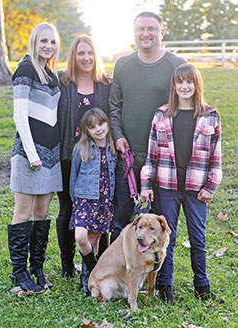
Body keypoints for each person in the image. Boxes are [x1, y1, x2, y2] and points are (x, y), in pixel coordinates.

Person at [140, 63, 223, 304]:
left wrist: (211, 186)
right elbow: (151, 154)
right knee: (168, 238)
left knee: (198, 238)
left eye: (190, 82)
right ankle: (165, 287)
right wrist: (146, 184)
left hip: (197, 189)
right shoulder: (162, 115)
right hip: (167, 186)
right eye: (180, 82)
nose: (185, 86)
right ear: (174, 86)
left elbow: (216, 157)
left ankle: (202, 285)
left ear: (197, 85)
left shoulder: (211, 115)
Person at [109, 11, 187, 242]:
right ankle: (117, 272)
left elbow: (187, 109)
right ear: (134, 33)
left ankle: (161, 276)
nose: (145, 33)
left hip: (165, 159)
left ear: (161, 32)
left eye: (151, 29)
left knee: (161, 223)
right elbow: (114, 105)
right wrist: (117, 135)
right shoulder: (123, 65)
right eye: (140, 29)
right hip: (129, 156)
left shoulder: (177, 65)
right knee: (121, 218)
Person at [8, 22, 62, 293]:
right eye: (43, 41)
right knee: (23, 213)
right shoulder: (25, 69)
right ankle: (19, 274)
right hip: (30, 155)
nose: (48, 46)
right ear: (34, 42)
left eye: (52, 42)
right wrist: (32, 154)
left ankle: (37, 269)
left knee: (42, 213)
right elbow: (19, 115)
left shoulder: (51, 73)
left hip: (51, 156)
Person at [57, 35, 112, 290]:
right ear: (73, 57)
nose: (86, 58)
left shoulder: (105, 84)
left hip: (100, 156)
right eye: (80, 53)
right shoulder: (64, 83)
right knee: (69, 210)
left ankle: (100, 263)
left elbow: (113, 115)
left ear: (95, 55)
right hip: (71, 155)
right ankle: (69, 264)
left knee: (102, 210)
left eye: (90, 53)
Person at [69, 108, 117, 292]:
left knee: (95, 240)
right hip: (84, 200)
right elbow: (74, 177)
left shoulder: (113, 149)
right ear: (86, 130)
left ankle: (88, 278)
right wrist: (76, 200)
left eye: (101, 124)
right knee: (81, 237)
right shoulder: (82, 149)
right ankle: (93, 271)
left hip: (104, 201)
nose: (98, 129)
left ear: (107, 124)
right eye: (92, 127)